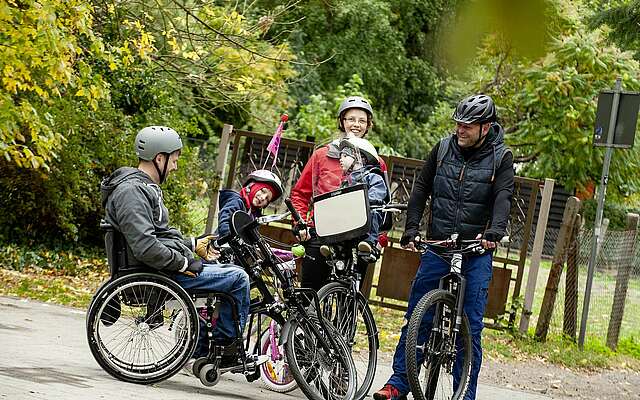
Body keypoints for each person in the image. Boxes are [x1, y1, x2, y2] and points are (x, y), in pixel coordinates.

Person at [373, 94, 514, 400]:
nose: (460, 130)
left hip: (476, 249)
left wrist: (495, 230)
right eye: (458, 123)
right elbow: (421, 187)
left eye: (468, 125)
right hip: (438, 245)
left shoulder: (501, 158)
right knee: (417, 317)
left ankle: (466, 394)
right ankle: (399, 383)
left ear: (485, 128)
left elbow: (503, 196)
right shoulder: (442, 149)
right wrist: (411, 228)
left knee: (470, 326)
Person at [100, 125, 262, 368]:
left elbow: (159, 236)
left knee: (225, 270)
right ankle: (225, 351)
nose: (175, 166)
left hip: (159, 267)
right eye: (174, 160)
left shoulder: (142, 188)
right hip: (156, 272)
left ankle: (204, 349)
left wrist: (193, 244)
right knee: (239, 278)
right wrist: (186, 262)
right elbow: (145, 246)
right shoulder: (131, 192)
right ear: (159, 158)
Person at [290, 95, 385, 290]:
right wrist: (302, 224)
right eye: (351, 119)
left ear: (368, 126)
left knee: (349, 296)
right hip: (322, 232)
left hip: (359, 235)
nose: (356, 124)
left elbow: (382, 202)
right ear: (342, 121)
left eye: (362, 120)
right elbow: (300, 194)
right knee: (309, 293)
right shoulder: (322, 155)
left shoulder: (376, 162)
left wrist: (380, 237)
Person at [335, 137, 388, 263]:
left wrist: (366, 201)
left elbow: (378, 193)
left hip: (365, 216)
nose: (340, 159)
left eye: (345, 156)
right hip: (350, 219)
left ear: (360, 158)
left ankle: (369, 242)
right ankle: (335, 244)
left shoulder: (372, 176)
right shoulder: (345, 182)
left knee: (373, 211)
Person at [217, 169, 284, 237]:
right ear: (251, 186)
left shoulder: (254, 215)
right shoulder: (237, 202)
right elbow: (224, 221)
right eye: (263, 191)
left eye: (267, 199)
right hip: (221, 244)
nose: (263, 198)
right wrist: (229, 237)